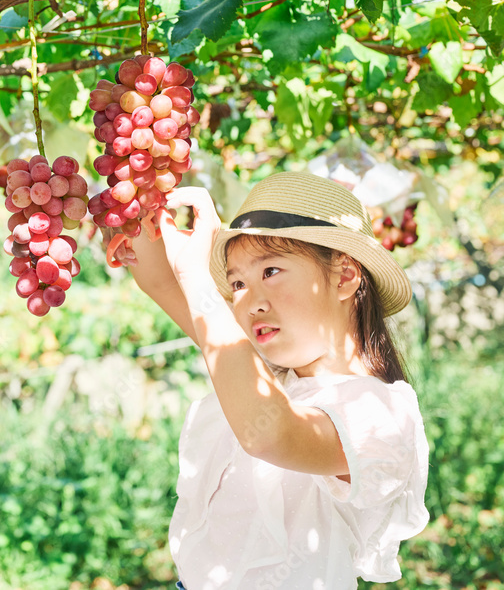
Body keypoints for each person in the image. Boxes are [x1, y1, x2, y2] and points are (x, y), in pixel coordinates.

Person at [129, 172, 429, 590]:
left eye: (270, 270)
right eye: (236, 284)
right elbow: (160, 279)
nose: (249, 302)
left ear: (344, 277)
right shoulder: (260, 374)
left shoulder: (380, 413)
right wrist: (139, 208)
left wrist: (200, 278)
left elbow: (272, 434)